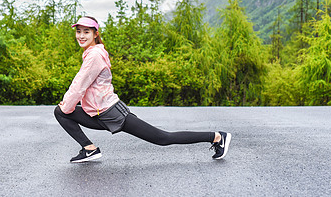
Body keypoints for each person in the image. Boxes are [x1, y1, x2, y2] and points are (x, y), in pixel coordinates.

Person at [54, 16, 231, 163]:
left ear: (95, 34)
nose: (81, 36)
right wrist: (66, 108)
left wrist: (67, 106)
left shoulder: (94, 55)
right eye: (79, 31)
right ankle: (89, 149)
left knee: (163, 138)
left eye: (86, 32)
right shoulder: (93, 53)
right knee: (61, 112)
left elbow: (79, 85)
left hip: (112, 113)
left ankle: (216, 137)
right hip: (99, 113)